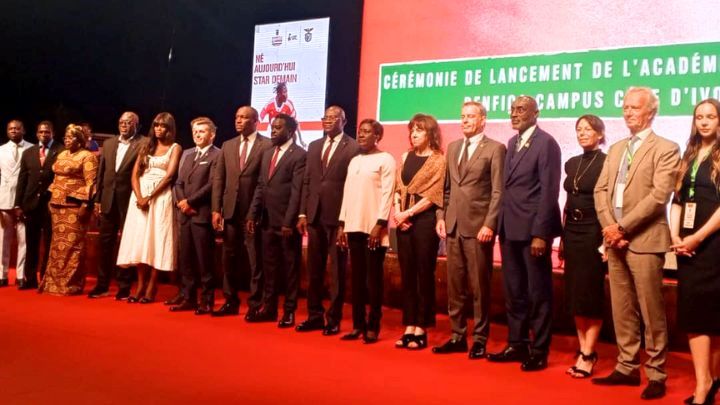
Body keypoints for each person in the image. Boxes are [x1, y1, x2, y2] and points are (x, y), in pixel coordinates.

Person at [592, 87, 680, 400]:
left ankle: (656, 374)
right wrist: (609, 228)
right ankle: (627, 367)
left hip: (644, 240)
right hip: (615, 241)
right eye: (625, 107)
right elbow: (600, 191)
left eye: (635, 107)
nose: (628, 112)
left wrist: (622, 226)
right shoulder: (615, 149)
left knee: (651, 311)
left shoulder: (667, 148)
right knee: (622, 308)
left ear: (651, 112)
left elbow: (659, 196)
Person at [488, 95, 562, 372]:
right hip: (509, 228)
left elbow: (549, 190)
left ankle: (539, 350)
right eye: (512, 109)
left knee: (538, 293)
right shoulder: (512, 143)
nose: (514, 113)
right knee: (514, 291)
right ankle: (517, 343)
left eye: (521, 109)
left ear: (535, 113)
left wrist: (541, 234)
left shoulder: (547, 143)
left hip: (533, 232)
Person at [434, 102, 505, 358]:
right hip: (452, 226)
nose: (464, 120)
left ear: (483, 120)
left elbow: (498, 191)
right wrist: (441, 216)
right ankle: (457, 336)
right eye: (462, 116)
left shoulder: (496, 149)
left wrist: (490, 223)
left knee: (479, 287)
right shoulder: (453, 148)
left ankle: (480, 339)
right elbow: (447, 189)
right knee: (455, 287)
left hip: (478, 229)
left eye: (470, 116)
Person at [670, 98, 720, 405]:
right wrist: (675, 235)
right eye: (699, 116)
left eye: (710, 116)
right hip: (685, 246)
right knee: (693, 315)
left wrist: (697, 238)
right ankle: (705, 381)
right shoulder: (688, 154)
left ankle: (708, 383)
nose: (704, 121)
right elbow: (677, 200)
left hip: (713, 244)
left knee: (712, 316)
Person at [295, 105, 360, 336]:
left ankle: (333, 319)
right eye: (325, 117)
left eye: (334, 117)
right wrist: (302, 213)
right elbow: (307, 182)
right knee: (314, 269)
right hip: (314, 216)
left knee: (337, 273)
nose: (328, 120)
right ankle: (314, 315)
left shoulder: (353, 147)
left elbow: (354, 187)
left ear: (344, 121)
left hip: (338, 218)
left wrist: (346, 221)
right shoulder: (313, 146)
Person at [337, 119, 396, 344]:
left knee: (374, 281)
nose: (361, 135)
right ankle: (357, 325)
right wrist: (342, 224)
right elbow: (347, 193)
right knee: (357, 280)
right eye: (360, 131)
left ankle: (373, 326)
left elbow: (388, 194)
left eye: (367, 132)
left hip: (373, 228)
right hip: (353, 226)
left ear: (377, 136)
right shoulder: (354, 161)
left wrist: (379, 225)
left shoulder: (386, 159)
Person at [210, 106, 272, 317]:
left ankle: (256, 304)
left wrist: (255, 211)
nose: (239, 121)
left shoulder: (267, 145)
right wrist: (216, 209)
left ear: (256, 121)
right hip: (229, 211)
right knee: (229, 258)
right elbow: (219, 178)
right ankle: (230, 301)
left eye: (244, 117)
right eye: (237, 117)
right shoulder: (228, 145)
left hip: (254, 214)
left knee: (255, 260)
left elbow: (264, 182)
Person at [246, 114, 306, 328]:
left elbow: (297, 192)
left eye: (278, 128)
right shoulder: (268, 152)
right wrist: (253, 214)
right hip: (266, 221)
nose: (272, 131)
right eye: (272, 127)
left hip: (286, 224)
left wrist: (289, 222)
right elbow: (261, 186)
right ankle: (269, 308)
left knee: (290, 269)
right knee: (269, 267)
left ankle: (289, 312)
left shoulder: (299, 155)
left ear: (290, 131)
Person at [559, 114, 607, 378]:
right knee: (575, 294)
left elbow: (610, 203)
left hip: (594, 231)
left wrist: (606, 240)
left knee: (590, 293)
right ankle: (582, 348)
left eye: (588, 129)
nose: (583, 133)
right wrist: (563, 238)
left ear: (599, 134)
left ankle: (589, 352)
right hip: (572, 231)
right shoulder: (572, 163)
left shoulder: (607, 162)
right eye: (579, 129)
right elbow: (568, 201)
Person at [392, 113, 445, 350]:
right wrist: (397, 213)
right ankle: (409, 325)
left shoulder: (438, 160)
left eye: (419, 130)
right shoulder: (405, 156)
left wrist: (408, 213)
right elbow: (397, 188)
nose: (414, 134)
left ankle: (421, 327)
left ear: (430, 134)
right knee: (407, 274)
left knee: (424, 274)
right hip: (402, 222)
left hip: (423, 222)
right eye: (412, 129)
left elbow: (433, 196)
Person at [115, 112, 181, 303]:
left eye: (163, 126)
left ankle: (152, 285)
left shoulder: (175, 147)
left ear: (169, 129)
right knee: (140, 240)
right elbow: (135, 174)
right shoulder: (146, 145)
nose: (159, 129)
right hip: (139, 197)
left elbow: (169, 176)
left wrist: (150, 197)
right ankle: (140, 285)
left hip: (160, 196)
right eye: (156, 125)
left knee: (156, 240)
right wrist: (140, 196)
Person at [88, 112, 148, 300]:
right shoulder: (110, 143)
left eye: (128, 122)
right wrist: (97, 199)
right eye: (121, 122)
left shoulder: (144, 143)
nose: (124, 125)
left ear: (136, 125)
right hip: (107, 200)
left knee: (127, 246)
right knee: (105, 244)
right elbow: (101, 172)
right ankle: (102, 285)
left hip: (129, 201)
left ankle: (124, 286)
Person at [169, 117, 220, 314]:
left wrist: (190, 202)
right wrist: (183, 203)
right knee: (186, 259)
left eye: (202, 131)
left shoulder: (218, 155)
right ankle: (188, 297)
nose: (197, 135)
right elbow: (178, 182)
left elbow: (213, 184)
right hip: (185, 214)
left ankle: (207, 300)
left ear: (212, 135)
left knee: (204, 260)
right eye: (195, 131)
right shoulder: (188, 155)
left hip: (201, 214)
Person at [39, 124, 97, 295]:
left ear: (79, 140)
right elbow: (56, 178)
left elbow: (91, 183)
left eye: (71, 137)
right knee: (56, 247)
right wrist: (51, 200)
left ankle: (71, 284)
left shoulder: (87, 156)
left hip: (75, 207)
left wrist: (86, 205)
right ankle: (52, 283)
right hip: (57, 205)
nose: (67, 140)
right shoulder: (62, 154)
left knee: (72, 247)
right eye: (65, 137)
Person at [15, 120, 63, 289]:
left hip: (51, 205)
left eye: (47, 132)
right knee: (31, 242)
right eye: (41, 132)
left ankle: (45, 278)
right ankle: (29, 279)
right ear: (36, 134)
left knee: (50, 243)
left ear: (53, 133)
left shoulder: (61, 151)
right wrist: (18, 205)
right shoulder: (28, 153)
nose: (44, 135)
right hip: (30, 204)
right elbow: (22, 180)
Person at [0, 120, 32, 287]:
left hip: (24, 201)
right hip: (3, 199)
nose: (14, 131)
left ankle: (21, 275)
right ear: (7, 131)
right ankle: (2, 274)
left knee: (23, 240)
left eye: (17, 128)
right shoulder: (0, 150)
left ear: (23, 130)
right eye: (11, 128)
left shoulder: (32, 149)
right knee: (2, 240)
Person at [259, 81, 305, 147]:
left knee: (293, 136)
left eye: (286, 92)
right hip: (272, 130)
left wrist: (301, 140)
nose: (286, 94)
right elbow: (259, 118)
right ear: (278, 93)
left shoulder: (289, 104)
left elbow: (295, 122)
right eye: (284, 92)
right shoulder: (270, 104)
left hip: (284, 132)